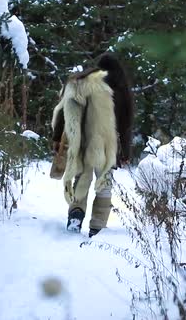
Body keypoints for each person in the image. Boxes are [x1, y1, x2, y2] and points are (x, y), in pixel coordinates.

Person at [51, 53, 133, 237]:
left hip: (82, 141)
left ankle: (76, 214)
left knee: (81, 178)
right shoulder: (121, 89)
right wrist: (125, 152)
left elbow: (65, 112)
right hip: (108, 144)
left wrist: (58, 138)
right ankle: (98, 225)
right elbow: (126, 124)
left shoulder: (82, 83)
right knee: (104, 183)